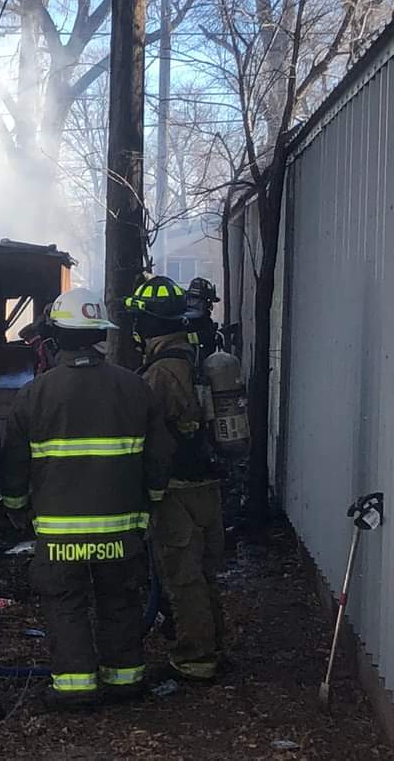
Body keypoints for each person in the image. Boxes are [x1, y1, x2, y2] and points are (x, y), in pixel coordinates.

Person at [0, 288, 172, 708]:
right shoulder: (134, 387)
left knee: (65, 603)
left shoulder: (34, 394)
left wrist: (16, 508)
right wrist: (151, 502)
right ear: (99, 334)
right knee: (121, 600)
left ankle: (75, 689)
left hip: (59, 533)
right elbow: (159, 456)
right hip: (121, 527)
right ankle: (125, 681)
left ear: (57, 335)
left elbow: (14, 463)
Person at [125, 275, 226, 682]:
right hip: (206, 484)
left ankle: (195, 657)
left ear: (149, 322)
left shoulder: (160, 373)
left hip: (175, 488)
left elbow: (149, 434)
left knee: (182, 577)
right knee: (202, 573)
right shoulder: (195, 354)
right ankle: (214, 644)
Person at [184, 278, 223, 363]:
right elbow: (184, 338)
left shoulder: (203, 319)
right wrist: (206, 335)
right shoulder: (184, 320)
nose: (210, 306)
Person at [18, 302, 58, 375]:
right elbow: (22, 334)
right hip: (46, 371)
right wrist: (37, 323)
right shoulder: (41, 331)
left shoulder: (55, 333)